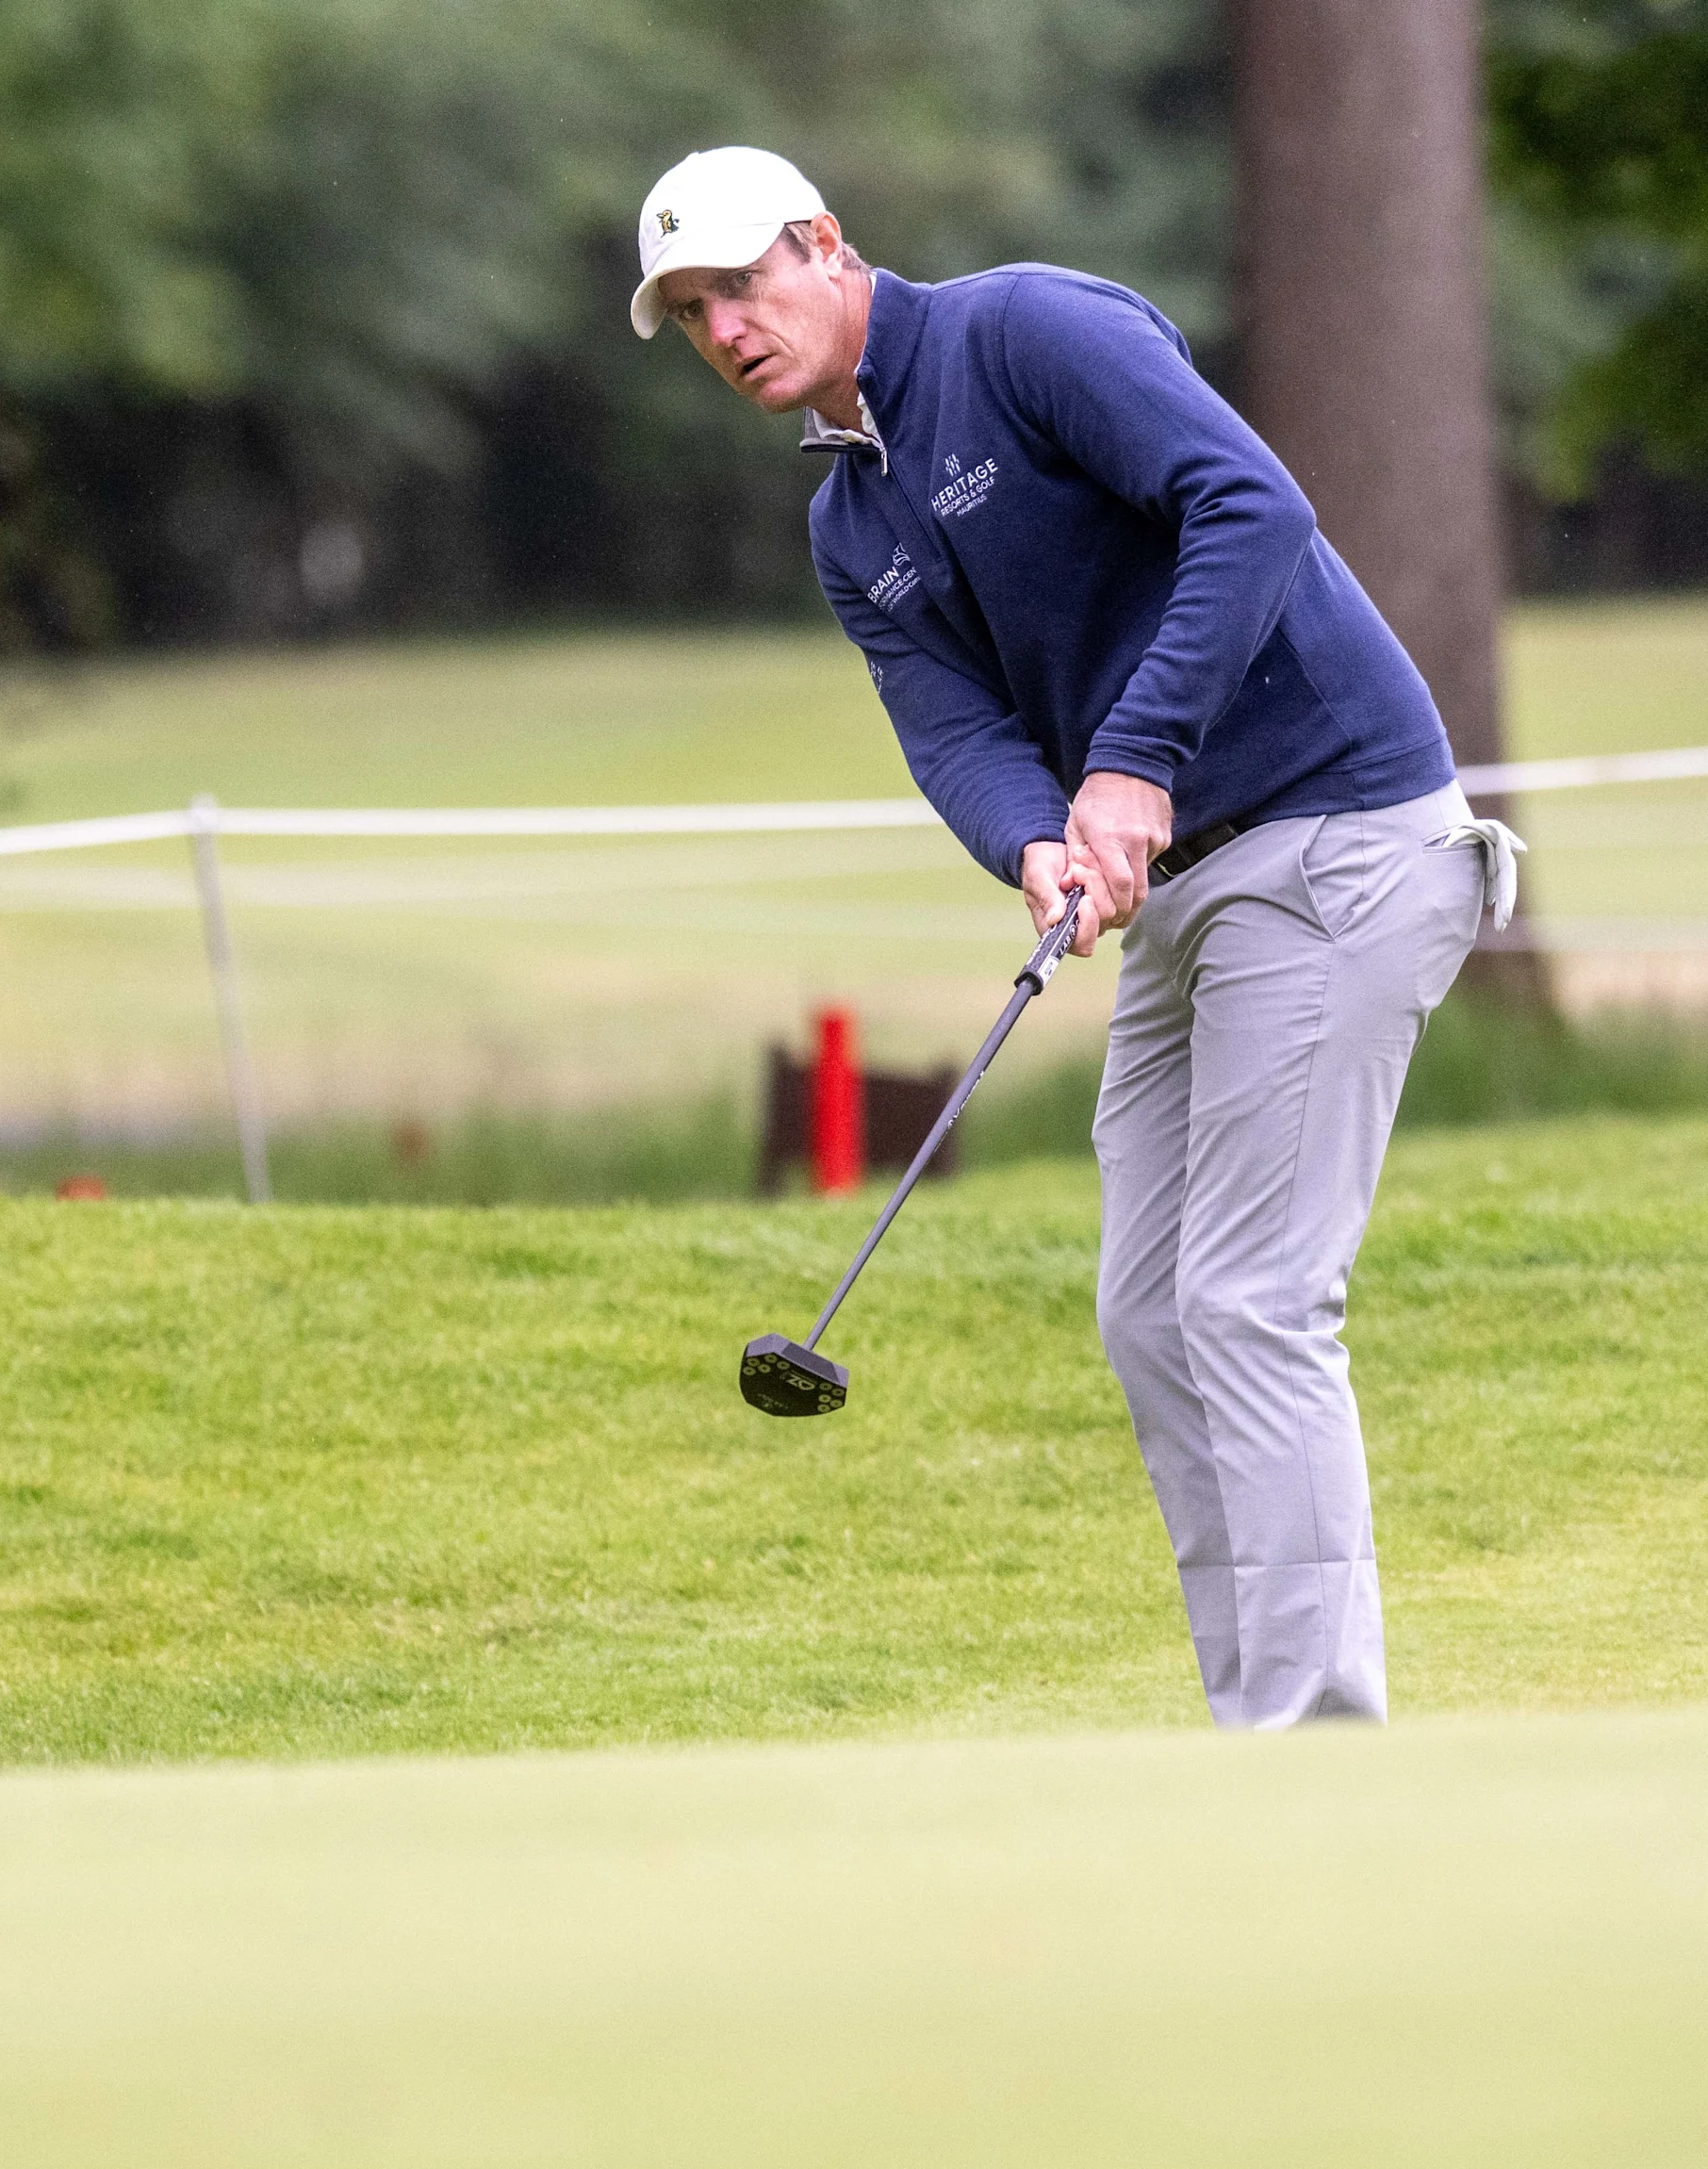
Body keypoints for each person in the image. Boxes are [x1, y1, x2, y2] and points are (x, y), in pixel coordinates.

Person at [630, 146, 1525, 1731]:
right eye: (693, 310)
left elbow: (1249, 506)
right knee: (1149, 1311)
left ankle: (1318, 1738)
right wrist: (1035, 840)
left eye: (741, 283)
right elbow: (957, 729)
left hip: (1337, 830)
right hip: (1193, 889)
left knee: (1251, 1298)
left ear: (826, 245)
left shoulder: (1023, 332)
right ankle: (1259, 1709)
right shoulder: (852, 523)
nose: (725, 328)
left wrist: (1132, 761)